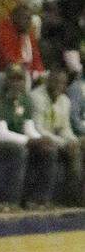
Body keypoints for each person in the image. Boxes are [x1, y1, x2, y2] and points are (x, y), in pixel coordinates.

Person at [0, 64, 57, 209]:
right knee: (18, 151)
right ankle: (9, 201)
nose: (17, 83)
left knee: (49, 150)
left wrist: (40, 140)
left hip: (12, 143)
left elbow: (29, 129)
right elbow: (1, 135)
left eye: (20, 79)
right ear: (6, 81)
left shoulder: (25, 100)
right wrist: (31, 141)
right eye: (13, 79)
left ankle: (38, 200)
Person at [31, 67, 85, 204]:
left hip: (56, 139)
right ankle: (49, 199)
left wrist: (73, 140)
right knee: (58, 150)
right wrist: (64, 143)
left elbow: (65, 128)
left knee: (78, 147)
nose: (59, 86)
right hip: (38, 139)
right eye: (56, 82)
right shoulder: (36, 97)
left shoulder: (65, 101)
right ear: (48, 81)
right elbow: (39, 129)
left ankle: (75, 196)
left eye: (62, 83)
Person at [0, 2, 43, 81]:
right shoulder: (2, 32)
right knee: (17, 77)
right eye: (25, 18)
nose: (28, 22)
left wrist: (39, 74)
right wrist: (30, 73)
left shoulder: (27, 33)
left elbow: (36, 59)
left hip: (23, 75)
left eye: (29, 18)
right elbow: (8, 62)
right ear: (14, 17)